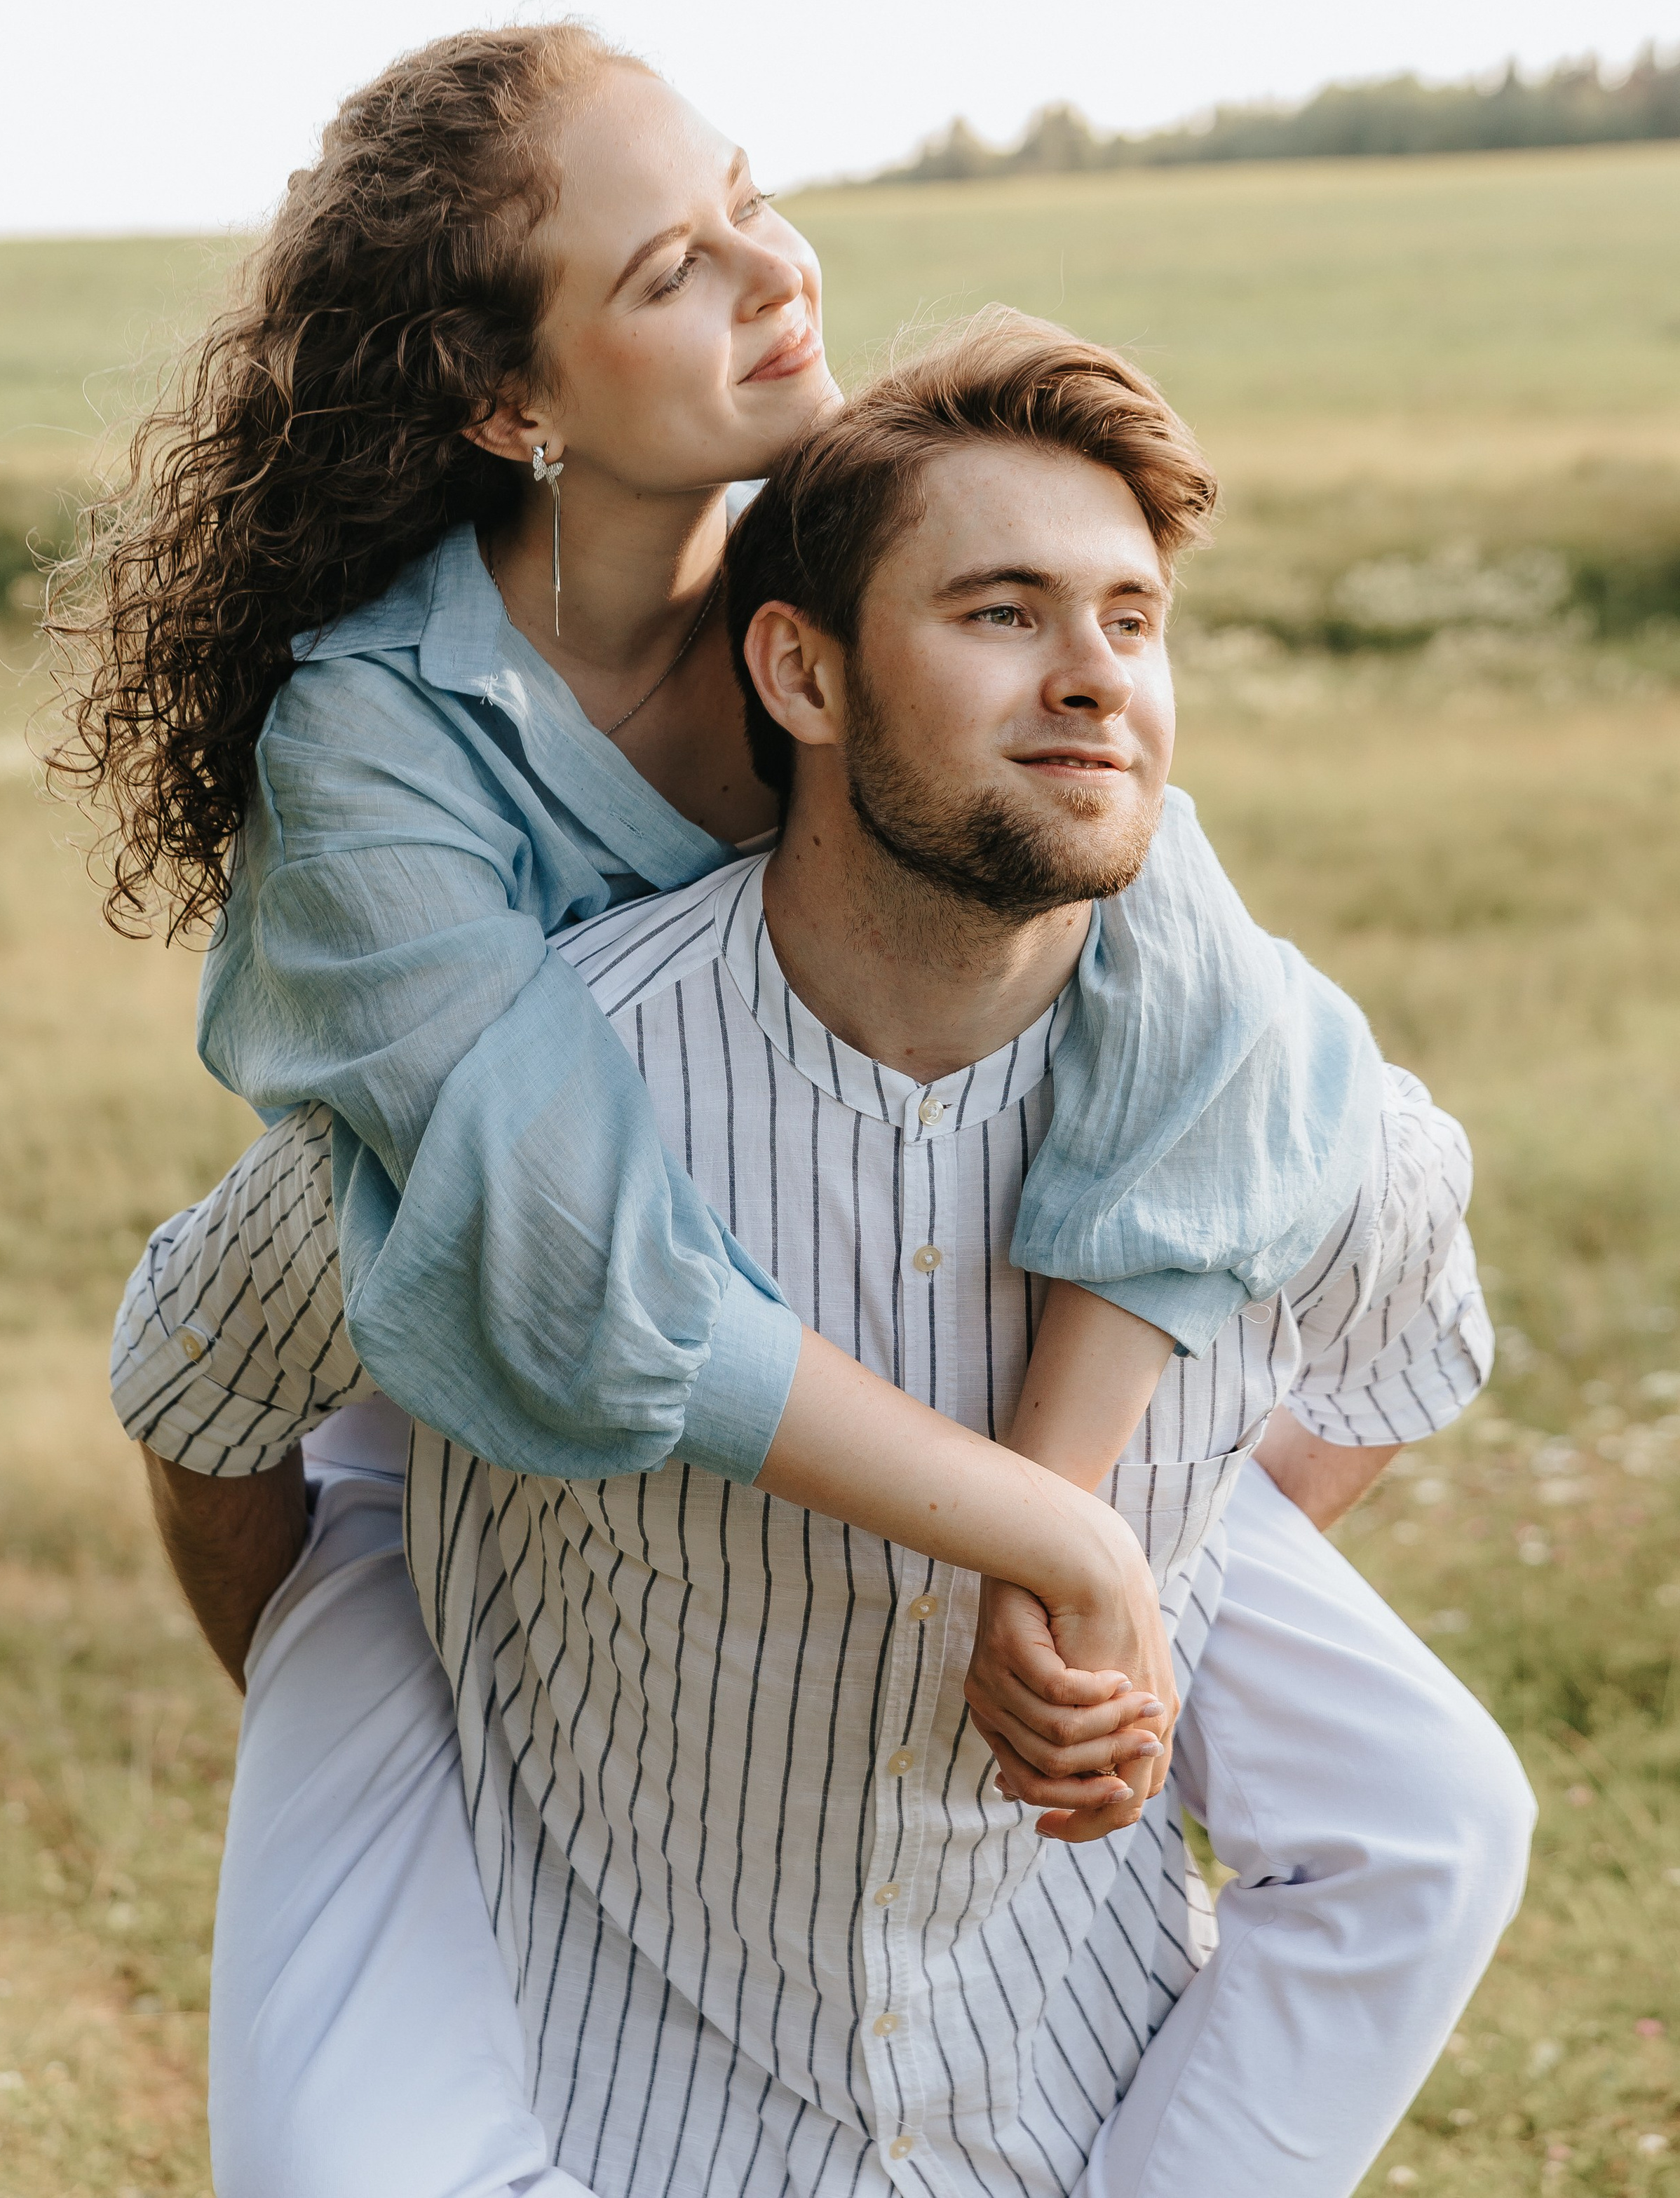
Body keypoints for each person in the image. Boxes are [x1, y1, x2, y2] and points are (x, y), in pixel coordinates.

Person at [114, 313, 1532, 2197]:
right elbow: (200, 1388)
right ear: (802, 670)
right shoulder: (525, 1113)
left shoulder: (1308, 1117)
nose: (1095, 677)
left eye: (1130, 618)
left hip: (1083, 2112)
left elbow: (1394, 1363)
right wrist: (373, 1709)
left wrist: (1158, 1595)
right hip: (606, 2120)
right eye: (1004, 613)